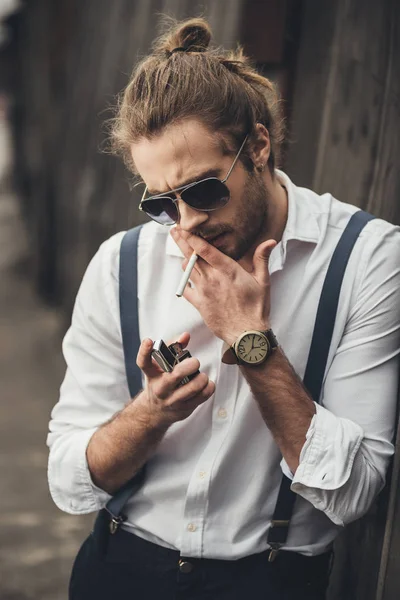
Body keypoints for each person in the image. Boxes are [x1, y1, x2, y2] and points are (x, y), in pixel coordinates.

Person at [47, 17, 400, 600]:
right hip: (122, 568)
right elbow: (69, 479)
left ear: (259, 145)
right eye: (160, 203)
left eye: (205, 190)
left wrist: (249, 339)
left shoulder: (366, 258)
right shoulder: (122, 263)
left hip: (270, 580)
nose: (185, 223)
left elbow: (352, 493)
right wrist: (150, 413)